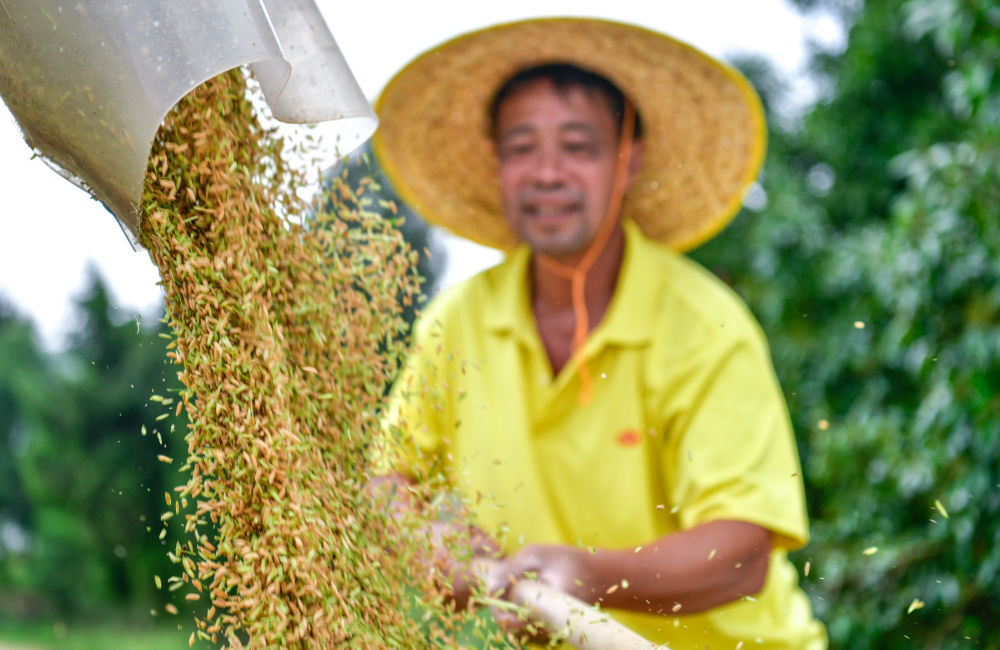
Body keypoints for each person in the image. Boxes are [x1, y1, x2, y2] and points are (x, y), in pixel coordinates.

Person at [369, 17, 827, 649]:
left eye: (578, 146)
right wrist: (428, 540)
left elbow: (742, 553)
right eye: (522, 146)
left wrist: (590, 574)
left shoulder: (703, 326)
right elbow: (389, 483)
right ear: (497, 163)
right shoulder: (458, 323)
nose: (547, 172)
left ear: (628, 158)